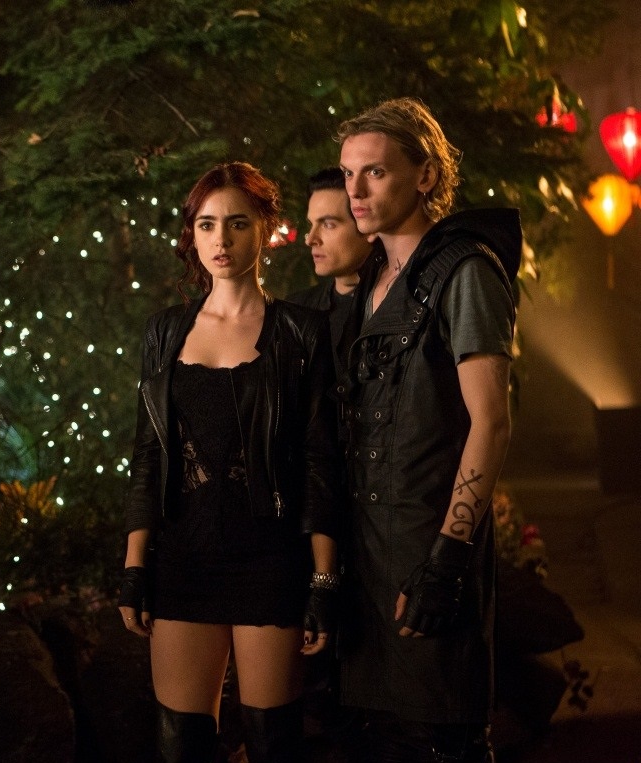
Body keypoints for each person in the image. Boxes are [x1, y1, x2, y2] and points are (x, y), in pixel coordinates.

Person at [119, 161, 345, 763]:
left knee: (272, 743)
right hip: (183, 559)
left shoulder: (302, 331)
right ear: (192, 234)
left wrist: (323, 580)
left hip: (271, 559)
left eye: (238, 223)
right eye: (207, 224)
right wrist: (136, 566)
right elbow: (148, 455)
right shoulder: (165, 331)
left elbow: (320, 460)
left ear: (266, 229)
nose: (221, 239)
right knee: (181, 745)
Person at [334, 97, 519, 761]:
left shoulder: (465, 271)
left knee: (441, 739)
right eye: (348, 173)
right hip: (365, 559)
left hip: (429, 543)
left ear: (426, 176)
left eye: (375, 172)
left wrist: (447, 559)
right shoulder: (369, 281)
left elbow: (491, 422)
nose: (356, 191)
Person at [287, 167, 375, 378]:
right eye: (311, 224)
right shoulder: (296, 312)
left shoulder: (396, 307)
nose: (311, 239)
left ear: (367, 227)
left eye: (328, 224)